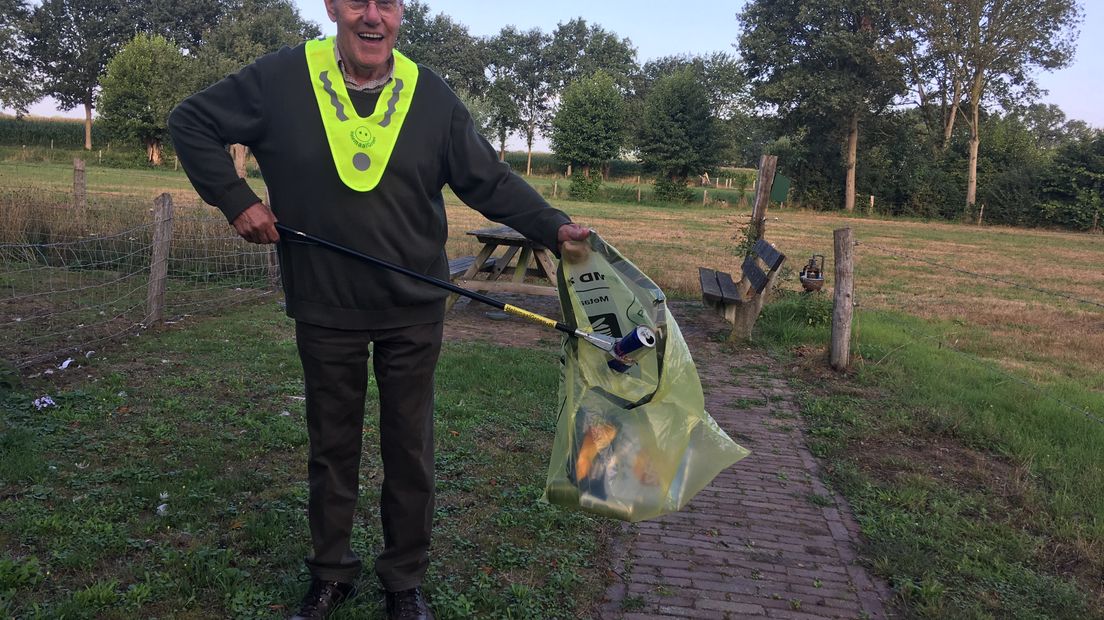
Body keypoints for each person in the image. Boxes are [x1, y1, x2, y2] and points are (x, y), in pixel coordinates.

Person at [168, 0, 589, 618]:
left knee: (409, 447)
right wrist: (235, 199)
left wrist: (554, 227)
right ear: (333, 7)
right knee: (331, 443)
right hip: (324, 303)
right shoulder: (280, 79)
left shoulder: (432, 96)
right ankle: (331, 572)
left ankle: (404, 580)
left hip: (412, 305)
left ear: (400, 14)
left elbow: (489, 181)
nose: (373, 16)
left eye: (387, 3)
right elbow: (191, 121)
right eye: (358, 1)